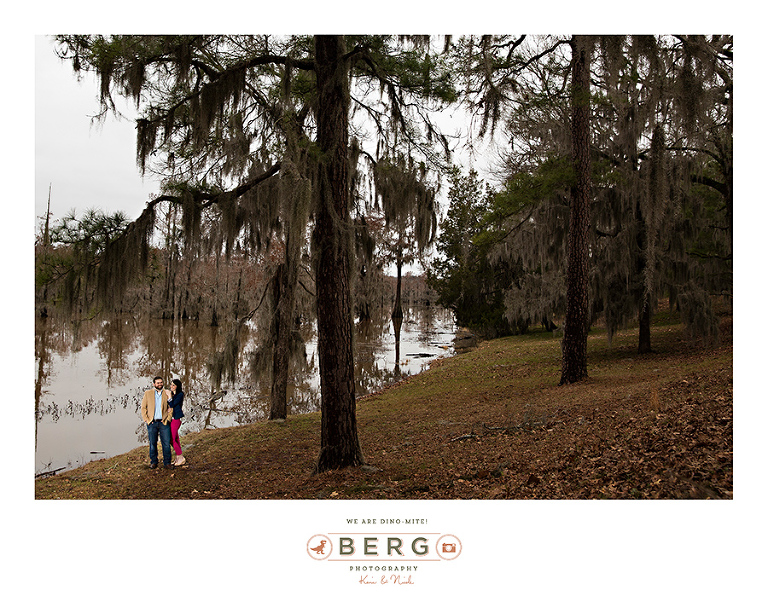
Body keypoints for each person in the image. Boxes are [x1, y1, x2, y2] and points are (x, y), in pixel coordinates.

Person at [140, 376, 173, 469]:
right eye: (158, 383)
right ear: (154, 384)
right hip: (152, 423)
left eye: (161, 382)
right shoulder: (148, 393)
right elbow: (143, 407)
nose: (160, 384)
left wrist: (168, 419)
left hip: (164, 423)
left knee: (166, 443)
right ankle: (154, 462)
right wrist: (146, 420)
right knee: (152, 443)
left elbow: (171, 407)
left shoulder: (167, 393)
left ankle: (167, 463)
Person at [168, 379, 186, 466]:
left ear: (177, 386)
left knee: (172, 438)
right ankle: (178, 457)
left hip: (176, 419)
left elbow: (172, 404)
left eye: (173, 385)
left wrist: (169, 396)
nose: (171, 386)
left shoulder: (180, 394)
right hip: (172, 419)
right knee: (175, 438)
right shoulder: (174, 395)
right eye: (171, 385)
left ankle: (180, 456)